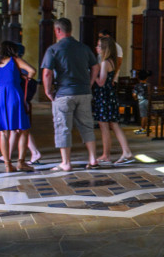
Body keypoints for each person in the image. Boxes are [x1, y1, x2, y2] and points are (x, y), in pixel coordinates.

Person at [41, 18, 100, 172]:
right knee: (87, 125)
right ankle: (93, 159)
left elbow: (47, 73)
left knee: (63, 127)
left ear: (58, 30)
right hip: (84, 92)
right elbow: (95, 66)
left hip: (64, 93)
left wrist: (47, 90)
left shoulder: (53, 49)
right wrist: (90, 83)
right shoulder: (83, 48)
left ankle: (66, 162)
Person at [0, 41, 37, 173]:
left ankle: (7, 164)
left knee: (4, 132)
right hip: (14, 96)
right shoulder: (14, 60)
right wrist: (24, 78)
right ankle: (21, 162)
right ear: (11, 50)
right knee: (23, 129)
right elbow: (32, 71)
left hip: (0, 98)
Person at [92, 36, 134, 165]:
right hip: (108, 96)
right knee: (112, 125)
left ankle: (109, 154)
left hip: (104, 97)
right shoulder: (111, 61)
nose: (97, 48)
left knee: (106, 126)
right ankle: (117, 153)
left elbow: (101, 82)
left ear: (105, 48)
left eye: (99, 46)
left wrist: (93, 75)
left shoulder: (105, 63)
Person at [133, 70, 152, 135]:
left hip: (142, 101)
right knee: (147, 114)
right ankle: (147, 127)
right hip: (148, 100)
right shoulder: (148, 85)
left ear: (138, 77)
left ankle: (143, 129)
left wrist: (135, 99)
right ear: (147, 78)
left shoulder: (137, 85)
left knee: (143, 115)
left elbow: (134, 94)